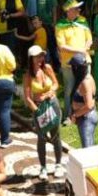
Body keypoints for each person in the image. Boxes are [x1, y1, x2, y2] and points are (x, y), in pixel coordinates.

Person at [22, 46, 63, 178]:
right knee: (42, 138)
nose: (41, 58)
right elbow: (28, 98)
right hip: (39, 108)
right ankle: (43, 167)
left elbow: (56, 84)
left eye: (42, 55)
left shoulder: (47, 68)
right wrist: (37, 112)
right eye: (37, 56)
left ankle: (58, 164)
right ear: (30, 58)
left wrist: (50, 92)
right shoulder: (28, 75)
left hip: (53, 105)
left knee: (56, 136)